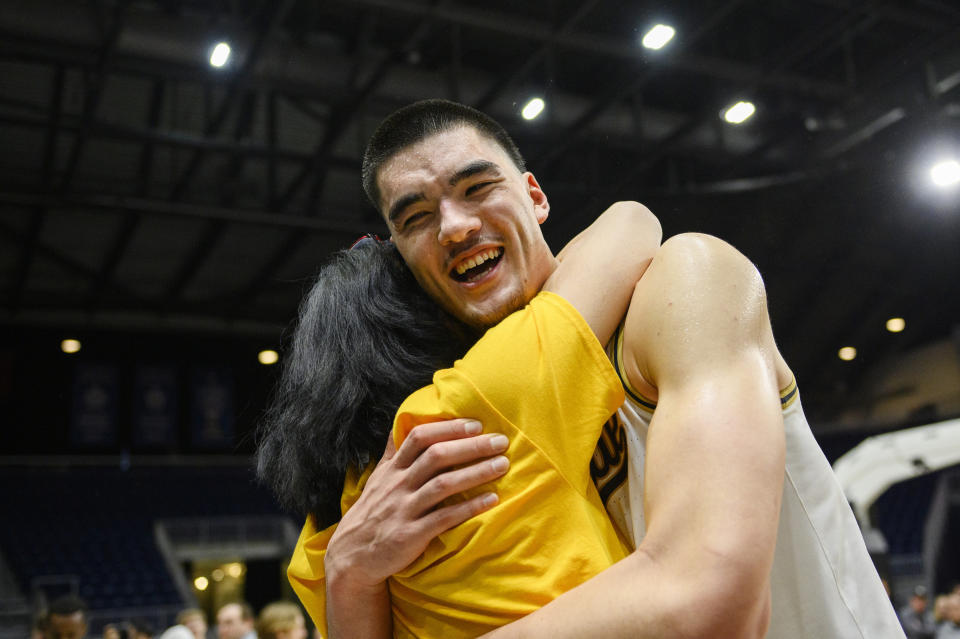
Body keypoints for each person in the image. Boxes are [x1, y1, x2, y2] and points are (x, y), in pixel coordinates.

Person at [290, 99, 905, 638]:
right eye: (416, 218)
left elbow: (709, 604)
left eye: (477, 188)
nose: (454, 226)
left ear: (534, 196)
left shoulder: (683, 285)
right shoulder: (485, 416)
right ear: (401, 256)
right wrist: (351, 572)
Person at [263, 200, 661, 636]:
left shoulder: (332, 528)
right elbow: (631, 224)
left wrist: (347, 571)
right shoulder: (474, 399)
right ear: (414, 317)